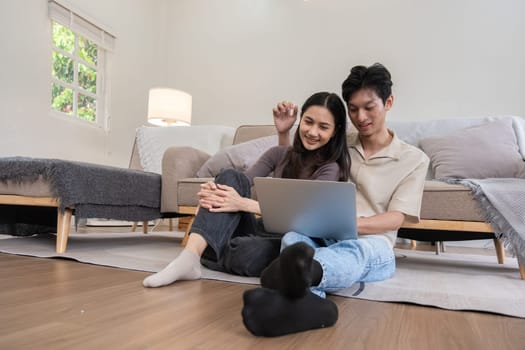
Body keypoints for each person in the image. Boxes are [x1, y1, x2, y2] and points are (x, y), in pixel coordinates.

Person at [242, 63, 430, 337]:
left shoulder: (413, 159)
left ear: (388, 102)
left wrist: (348, 225)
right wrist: (284, 133)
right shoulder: (337, 144)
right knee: (293, 239)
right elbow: (292, 166)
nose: (360, 116)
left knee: (354, 253)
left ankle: (299, 281)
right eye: (352, 109)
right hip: (322, 236)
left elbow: (397, 217)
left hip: (373, 245)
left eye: (369, 107)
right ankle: (312, 305)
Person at [143, 91, 351, 288]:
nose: (313, 132)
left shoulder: (331, 168)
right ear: (301, 120)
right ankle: (190, 257)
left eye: (323, 127)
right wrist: (215, 189)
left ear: (335, 131)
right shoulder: (278, 154)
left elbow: (302, 217)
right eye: (308, 122)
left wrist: (242, 203)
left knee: (244, 252)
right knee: (229, 175)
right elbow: (240, 181)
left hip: (291, 240)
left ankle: (209, 244)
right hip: (261, 229)